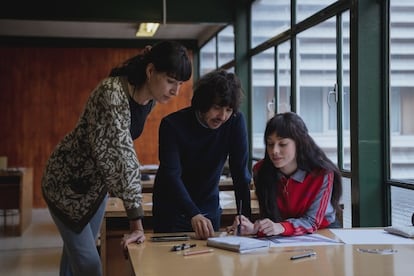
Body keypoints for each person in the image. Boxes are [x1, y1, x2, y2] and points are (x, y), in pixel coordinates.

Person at [41, 40, 192, 276]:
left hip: (96, 185)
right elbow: (121, 154)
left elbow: (122, 151)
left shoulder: (148, 98)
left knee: (75, 260)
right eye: (171, 81)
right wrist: (136, 222)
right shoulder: (111, 94)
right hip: (66, 184)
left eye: (180, 84)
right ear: (150, 71)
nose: (176, 91)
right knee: (89, 265)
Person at [152, 69, 252, 240]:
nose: (222, 116)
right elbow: (172, 175)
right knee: (169, 264)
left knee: (208, 263)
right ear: (202, 103)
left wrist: (245, 217)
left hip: (209, 206)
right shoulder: (172, 125)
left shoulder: (235, 121)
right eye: (217, 107)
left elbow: (240, 172)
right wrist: (193, 213)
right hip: (172, 207)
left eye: (228, 109)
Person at [230, 112, 342, 237]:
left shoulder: (322, 173)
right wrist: (254, 228)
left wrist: (281, 227)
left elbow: (312, 221)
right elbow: (269, 217)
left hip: (323, 232)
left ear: (299, 143)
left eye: (282, 144)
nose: (274, 151)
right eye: (270, 144)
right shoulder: (261, 170)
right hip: (283, 235)